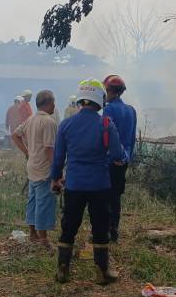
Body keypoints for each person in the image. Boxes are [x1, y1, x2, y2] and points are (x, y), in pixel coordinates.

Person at [51, 79, 125, 285]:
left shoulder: (66, 125)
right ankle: (102, 272)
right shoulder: (106, 124)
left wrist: (56, 179)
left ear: (81, 99)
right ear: (100, 99)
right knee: (100, 227)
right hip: (99, 185)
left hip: (74, 185)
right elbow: (117, 154)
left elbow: (58, 159)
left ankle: (63, 270)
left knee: (69, 226)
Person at [11, 90, 58, 247]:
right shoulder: (49, 122)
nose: (54, 105)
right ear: (48, 103)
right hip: (44, 168)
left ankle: (33, 234)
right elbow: (49, 149)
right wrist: (57, 170)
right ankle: (43, 239)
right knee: (43, 203)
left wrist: (27, 152)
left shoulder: (30, 120)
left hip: (32, 167)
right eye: (53, 102)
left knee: (32, 201)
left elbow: (15, 135)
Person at [102, 74, 137, 242]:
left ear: (111, 91)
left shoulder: (109, 109)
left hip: (111, 160)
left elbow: (106, 136)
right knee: (116, 196)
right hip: (124, 160)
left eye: (105, 91)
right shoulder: (131, 110)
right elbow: (132, 138)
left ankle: (105, 231)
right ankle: (114, 231)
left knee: (105, 196)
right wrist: (127, 157)